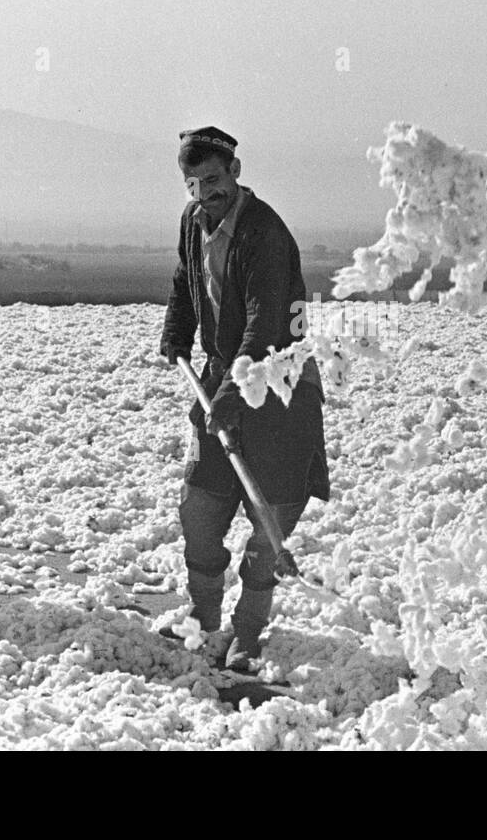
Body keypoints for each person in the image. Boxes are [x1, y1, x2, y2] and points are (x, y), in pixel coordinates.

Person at [159, 126, 330, 670]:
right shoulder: (193, 222)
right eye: (192, 184)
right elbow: (186, 279)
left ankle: (248, 632)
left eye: (211, 179)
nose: (203, 193)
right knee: (200, 507)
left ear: (235, 171)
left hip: (277, 387)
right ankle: (204, 615)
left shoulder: (264, 234)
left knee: (267, 516)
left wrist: (236, 388)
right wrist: (176, 329)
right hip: (223, 380)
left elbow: (266, 322)